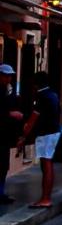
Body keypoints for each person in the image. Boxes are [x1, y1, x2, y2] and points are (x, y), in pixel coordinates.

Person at [16, 72, 62, 209]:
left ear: (36, 84)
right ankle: (45, 197)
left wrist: (24, 136)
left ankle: (46, 198)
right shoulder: (53, 95)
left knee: (46, 164)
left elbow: (33, 119)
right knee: (47, 163)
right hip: (53, 132)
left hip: (46, 133)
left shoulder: (41, 97)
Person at [0, 65, 23, 204]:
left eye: (10, 76)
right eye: (6, 75)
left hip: (5, 134)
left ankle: (1, 192)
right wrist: (10, 114)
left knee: (3, 166)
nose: (8, 78)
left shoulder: (8, 91)